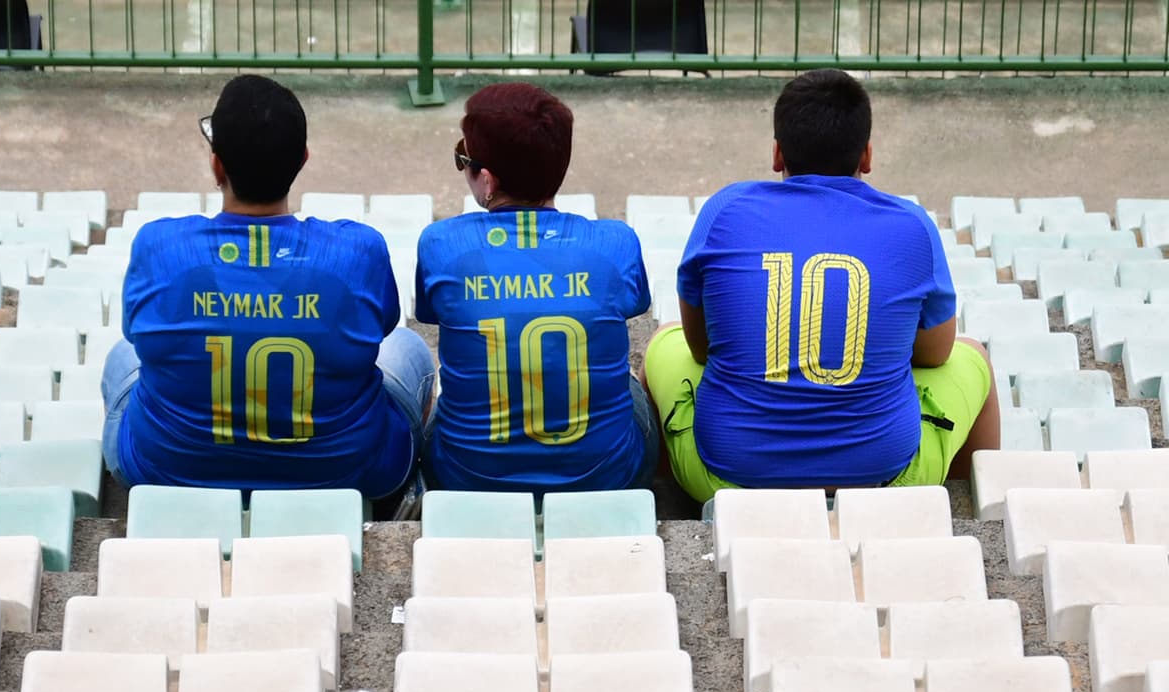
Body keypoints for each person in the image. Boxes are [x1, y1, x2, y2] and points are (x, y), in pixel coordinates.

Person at [643, 68, 999, 502]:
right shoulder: (912, 226)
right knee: (973, 356)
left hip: (728, 481)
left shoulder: (725, 210)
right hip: (886, 480)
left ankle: (668, 511)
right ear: (866, 156)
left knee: (663, 341)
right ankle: (963, 510)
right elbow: (937, 352)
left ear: (777, 154)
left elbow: (700, 349)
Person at [102, 74, 435, 499]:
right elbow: (384, 325)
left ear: (217, 164)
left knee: (121, 355)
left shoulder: (159, 247)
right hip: (349, 470)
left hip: (163, 469)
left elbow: (135, 332)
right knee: (409, 347)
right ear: (303, 160)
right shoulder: (358, 251)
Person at [414, 82, 657, 494]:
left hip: (466, 476)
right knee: (633, 373)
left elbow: (431, 313)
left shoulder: (441, 245)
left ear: (486, 180)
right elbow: (634, 303)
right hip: (608, 475)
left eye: (464, 159)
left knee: (424, 363)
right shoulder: (616, 244)